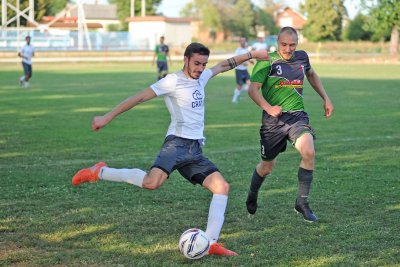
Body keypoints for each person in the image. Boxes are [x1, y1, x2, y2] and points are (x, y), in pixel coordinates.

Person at [72, 43, 269, 255]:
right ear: (185, 60)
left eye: (203, 64)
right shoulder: (172, 81)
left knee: (221, 187)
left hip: (194, 149)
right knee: (151, 183)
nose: (200, 68)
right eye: (196, 63)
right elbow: (138, 97)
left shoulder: (201, 77)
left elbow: (224, 65)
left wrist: (252, 55)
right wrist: (106, 117)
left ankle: (210, 242)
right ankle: (99, 171)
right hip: (176, 144)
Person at [245, 26, 334, 223]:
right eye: (284, 44)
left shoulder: (302, 57)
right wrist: (268, 108)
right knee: (267, 166)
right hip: (273, 122)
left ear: (297, 43)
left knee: (309, 152)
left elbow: (311, 75)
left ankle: (301, 203)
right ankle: (252, 194)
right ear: (277, 42)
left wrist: (326, 98)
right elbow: (253, 90)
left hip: (297, 117)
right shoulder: (266, 61)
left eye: (292, 44)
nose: (288, 49)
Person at [232, 37, 252, 103]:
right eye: (242, 41)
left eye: (244, 41)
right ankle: (234, 99)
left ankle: (238, 94)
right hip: (239, 69)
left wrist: (250, 61)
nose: (243, 42)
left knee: (249, 84)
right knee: (240, 85)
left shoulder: (246, 50)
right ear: (240, 42)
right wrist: (243, 63)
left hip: (244, 70)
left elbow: (247, 58)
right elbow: (236, 60)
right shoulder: (238, 50)